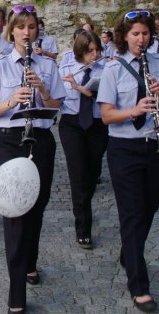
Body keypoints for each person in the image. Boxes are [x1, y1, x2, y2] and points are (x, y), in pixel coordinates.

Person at [0, 5, 65, 314]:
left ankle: (30, 261)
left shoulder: (47, 65)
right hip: (8, 140)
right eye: (21, 27)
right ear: (12, 31)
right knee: (15, 212)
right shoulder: (1, 65)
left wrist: (41, 87)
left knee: (37, 207)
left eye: (32, 27)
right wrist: (10, 100)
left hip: (40, 140)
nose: (27, 32)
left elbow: (57, 106)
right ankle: (16, 294)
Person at [97, 9, 159, 313]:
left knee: (149, 209)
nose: (141, 39)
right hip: (125, 147)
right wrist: (133, 110)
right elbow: (106, 115)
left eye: (146, 34)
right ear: (125, 37)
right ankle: (139, 285)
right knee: (132, 214)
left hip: (157, 145)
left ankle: (128, 253)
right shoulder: (113, 69)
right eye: (136, 34)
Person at [58, 30, 108, 250]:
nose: (95, 55)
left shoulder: (106, 69)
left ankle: (84, 204)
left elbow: (108, 95)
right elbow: (55, 97)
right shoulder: (66, 68)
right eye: (90, 51)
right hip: (72, 124)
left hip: (97, 125)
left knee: (93, 171)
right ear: (80, 51)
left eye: (97, 50)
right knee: (78, 173)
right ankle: (83, 226)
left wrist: (80, 88)